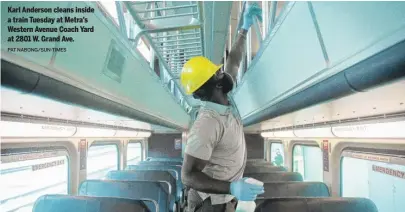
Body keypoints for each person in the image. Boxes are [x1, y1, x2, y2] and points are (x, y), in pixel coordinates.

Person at [180, 3, 264, 212]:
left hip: (225, 200)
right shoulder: (207, 123)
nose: (223, 73)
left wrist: (244, 29)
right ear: (215, 85)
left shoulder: (226, 99)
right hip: (208, 204)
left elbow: (233, 63)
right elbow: (188, 175)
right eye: (217, 73)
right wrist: (233, 187)